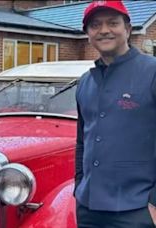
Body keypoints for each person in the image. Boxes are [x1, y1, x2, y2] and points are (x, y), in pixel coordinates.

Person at [75, 1, 156, 227]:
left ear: (128, 29)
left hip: (137, 211)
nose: (104, 30)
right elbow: (82, 141)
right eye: (95, 25)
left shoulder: (152, 73)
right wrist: (79, 186)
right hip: (88, 209)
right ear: (88, 34)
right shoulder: (84, 83)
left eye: (113, 23)